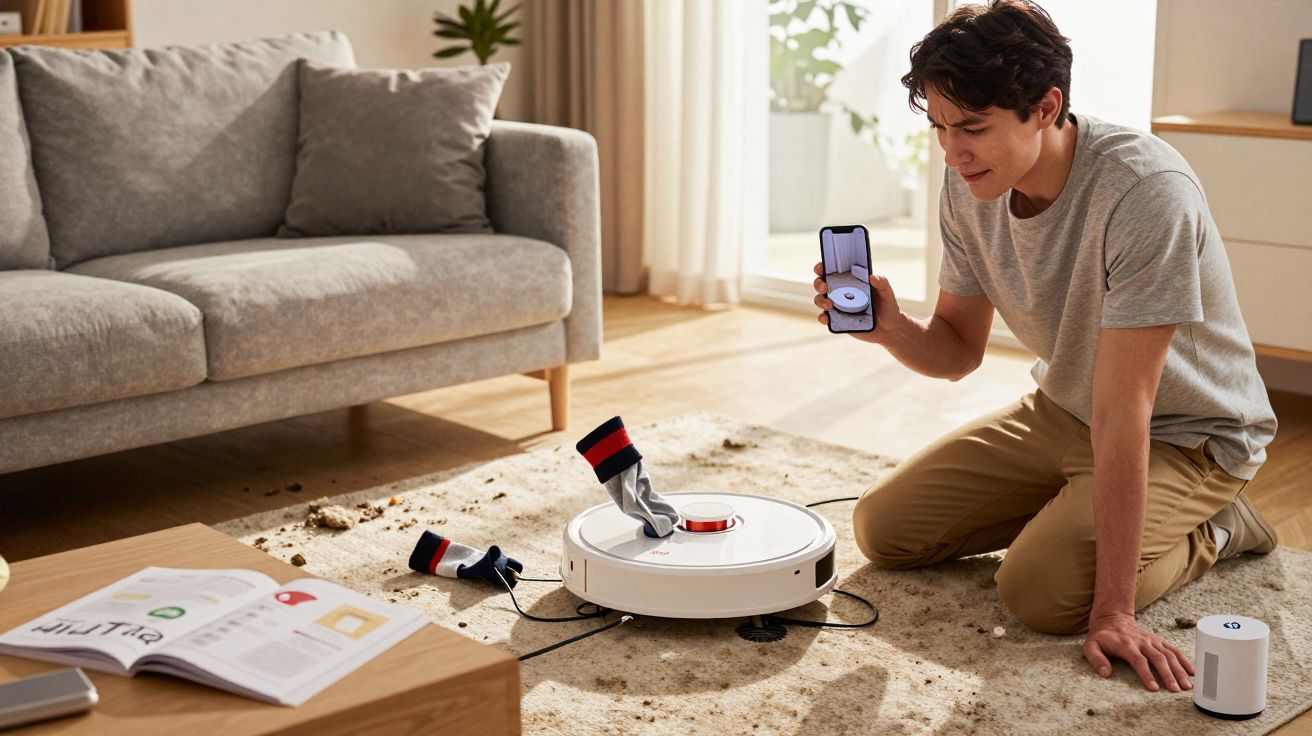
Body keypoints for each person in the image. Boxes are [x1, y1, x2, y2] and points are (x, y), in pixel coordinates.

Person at [812, 0, 1278, 694]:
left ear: (1045, 106)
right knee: (886, 530)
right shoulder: (969, 183)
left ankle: (1219, 528)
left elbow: (1128, 410)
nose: (952, 150)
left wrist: (1114, 610)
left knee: (1040, 594)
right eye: (940, 127)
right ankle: (1077, 509)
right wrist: (889, 328)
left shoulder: (1145, 192)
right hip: (1064, 410)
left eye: (972, 127)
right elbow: (957, 351)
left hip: (1188, 435)